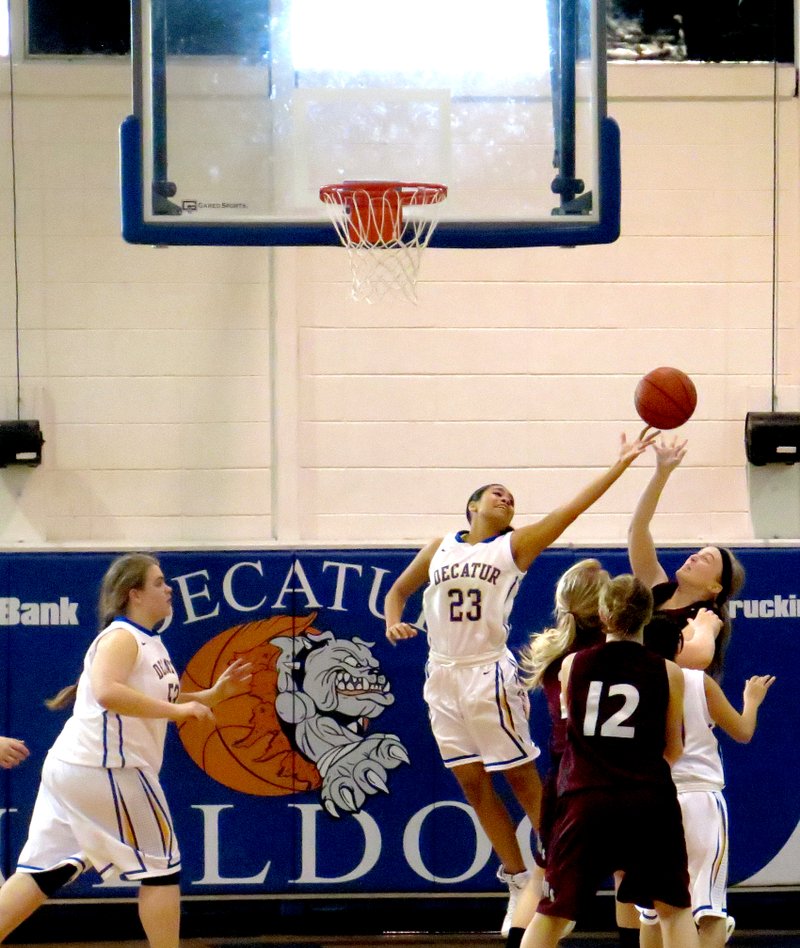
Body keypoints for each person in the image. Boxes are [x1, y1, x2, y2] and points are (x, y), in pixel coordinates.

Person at [384, 430, 657, 935]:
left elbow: (568, 512)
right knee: (470, 782)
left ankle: (557, 867)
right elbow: (399, 589)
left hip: (487, 673)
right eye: (496, 492)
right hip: (440, 675)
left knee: (519, 778)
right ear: (471, 506)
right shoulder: (438, 547)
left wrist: (619, 467)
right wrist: (392, 619)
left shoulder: (511, 548)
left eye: (512, 497)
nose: (506, 498)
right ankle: (517, 876)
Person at [0, 553, 252, 948]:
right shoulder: (122, 637)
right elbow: (107, 692)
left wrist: (211, 695)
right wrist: (178, 710)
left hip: (74, 768)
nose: (168, 588)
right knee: (161, 870)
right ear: (134, 594)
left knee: (42, 872)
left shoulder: (146, 641)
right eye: (158, 582)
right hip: (109, 768)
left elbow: (146, 697)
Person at [521, 574, 699, 948]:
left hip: (586, 799)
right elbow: (674, 748)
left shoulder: (573, 665)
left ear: (602, 614)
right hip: (647, 800)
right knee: (674, 911)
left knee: (552, 914)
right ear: (647, 617)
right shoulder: (669, 671)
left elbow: (574, 732)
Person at [639, 622, 775, 948]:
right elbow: (742, 731)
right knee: (710, 911)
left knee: (651, 911)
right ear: (678, 646)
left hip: (651, 799)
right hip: (700, 799)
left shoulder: (635, 683)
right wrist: (752, 700)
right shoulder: (698, 682)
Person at [504, 559, 609, 948]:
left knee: (543, 876)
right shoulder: (611, 653)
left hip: (562, 776)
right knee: (628, 880)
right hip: (603, 775)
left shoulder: (550, 652)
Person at [628, 435, 745, 679]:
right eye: (697, 553)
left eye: (706, 559)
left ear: (715, 585)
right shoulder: (657, 591)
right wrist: (661, 474)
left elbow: (692, 660)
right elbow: (637, 529)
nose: (693, 557)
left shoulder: (704, 619)